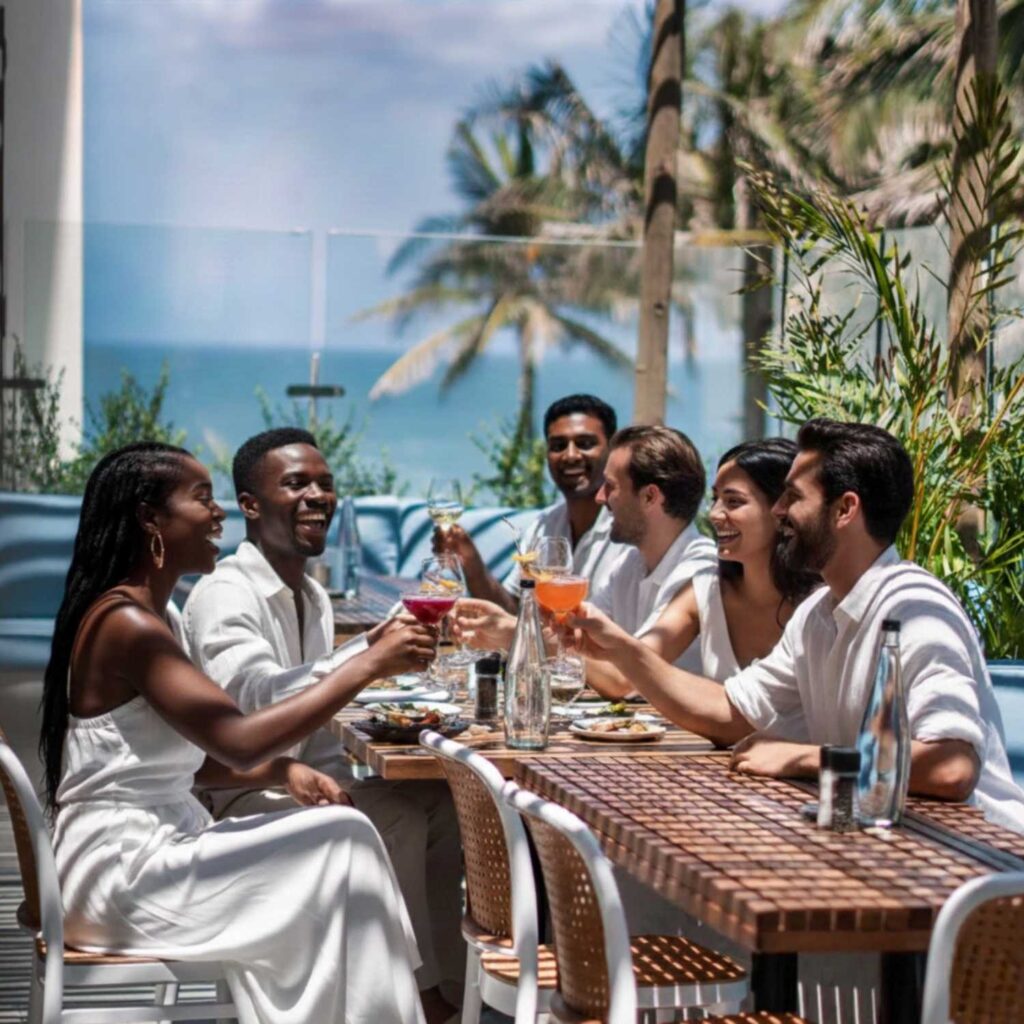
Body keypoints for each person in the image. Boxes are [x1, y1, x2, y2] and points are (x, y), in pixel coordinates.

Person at [40, 442, 437, 1024]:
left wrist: (282, 770)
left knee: (343, 840)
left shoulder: (157, 616)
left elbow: (177, 761)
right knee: (344, 841)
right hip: (121, 877)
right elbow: (238, 737)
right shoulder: (126, 624)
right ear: (151, 519)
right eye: (201, 498)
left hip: (142, 855)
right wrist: (367, 667)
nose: (220, 512)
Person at [571, 418, 1024, 832]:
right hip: (894, 845)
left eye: (792, 497)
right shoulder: (819, 613)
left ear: (844, 509)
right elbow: (729, 711)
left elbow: (950, 768)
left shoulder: (914, 609)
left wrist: (804, 758)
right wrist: (620, 648)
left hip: (982, 868)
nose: (777, 512)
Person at [182, 428, 463, 1018]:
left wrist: (372, 649)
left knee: (446, 805)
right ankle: (418, 995)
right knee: (398, 817)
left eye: (326, 484)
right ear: (250, 506)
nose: (318, 495)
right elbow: (253, 709)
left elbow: (318, 696)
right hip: (245, 795)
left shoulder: (310, 593)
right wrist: (364, 660)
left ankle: (455, 986)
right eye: (296, 484)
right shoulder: (226, 594)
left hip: (311, 778)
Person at [453, 424, 716, 670]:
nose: (600, 497)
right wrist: (521, 624)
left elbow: (627, 678)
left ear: (649, 497)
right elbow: (582, 642)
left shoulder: (698, 569)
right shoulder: (630, 564)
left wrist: (516, 633)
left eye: (610, 487)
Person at [583, 437, 820, 697]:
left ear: (782, 510)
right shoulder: (706, 590)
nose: (714, 514)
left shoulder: (819, 604)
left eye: (733, 502)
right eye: (716, 499)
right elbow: (629, 676)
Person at [434, 393, 627, 612]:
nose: (570, 455)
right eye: (558, 445)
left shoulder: (626, 533)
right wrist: (471, 564)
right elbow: (514, 611)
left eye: (584, 443)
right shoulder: (545, 525)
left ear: (612, 450)